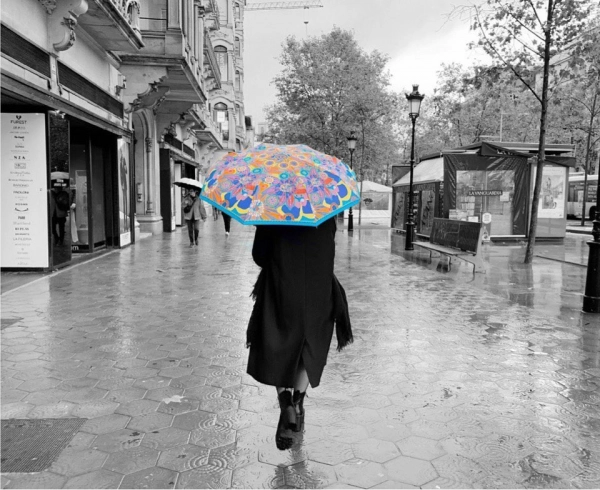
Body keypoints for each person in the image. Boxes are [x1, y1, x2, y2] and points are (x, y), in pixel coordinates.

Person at [246, 217, 352, 450]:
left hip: (281, 290)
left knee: (277, 342)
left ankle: (286, 405)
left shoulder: (273, 213)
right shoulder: (325, 216)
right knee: (309, 346)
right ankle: (298, 401)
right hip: (318, 292)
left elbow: (260, 256)